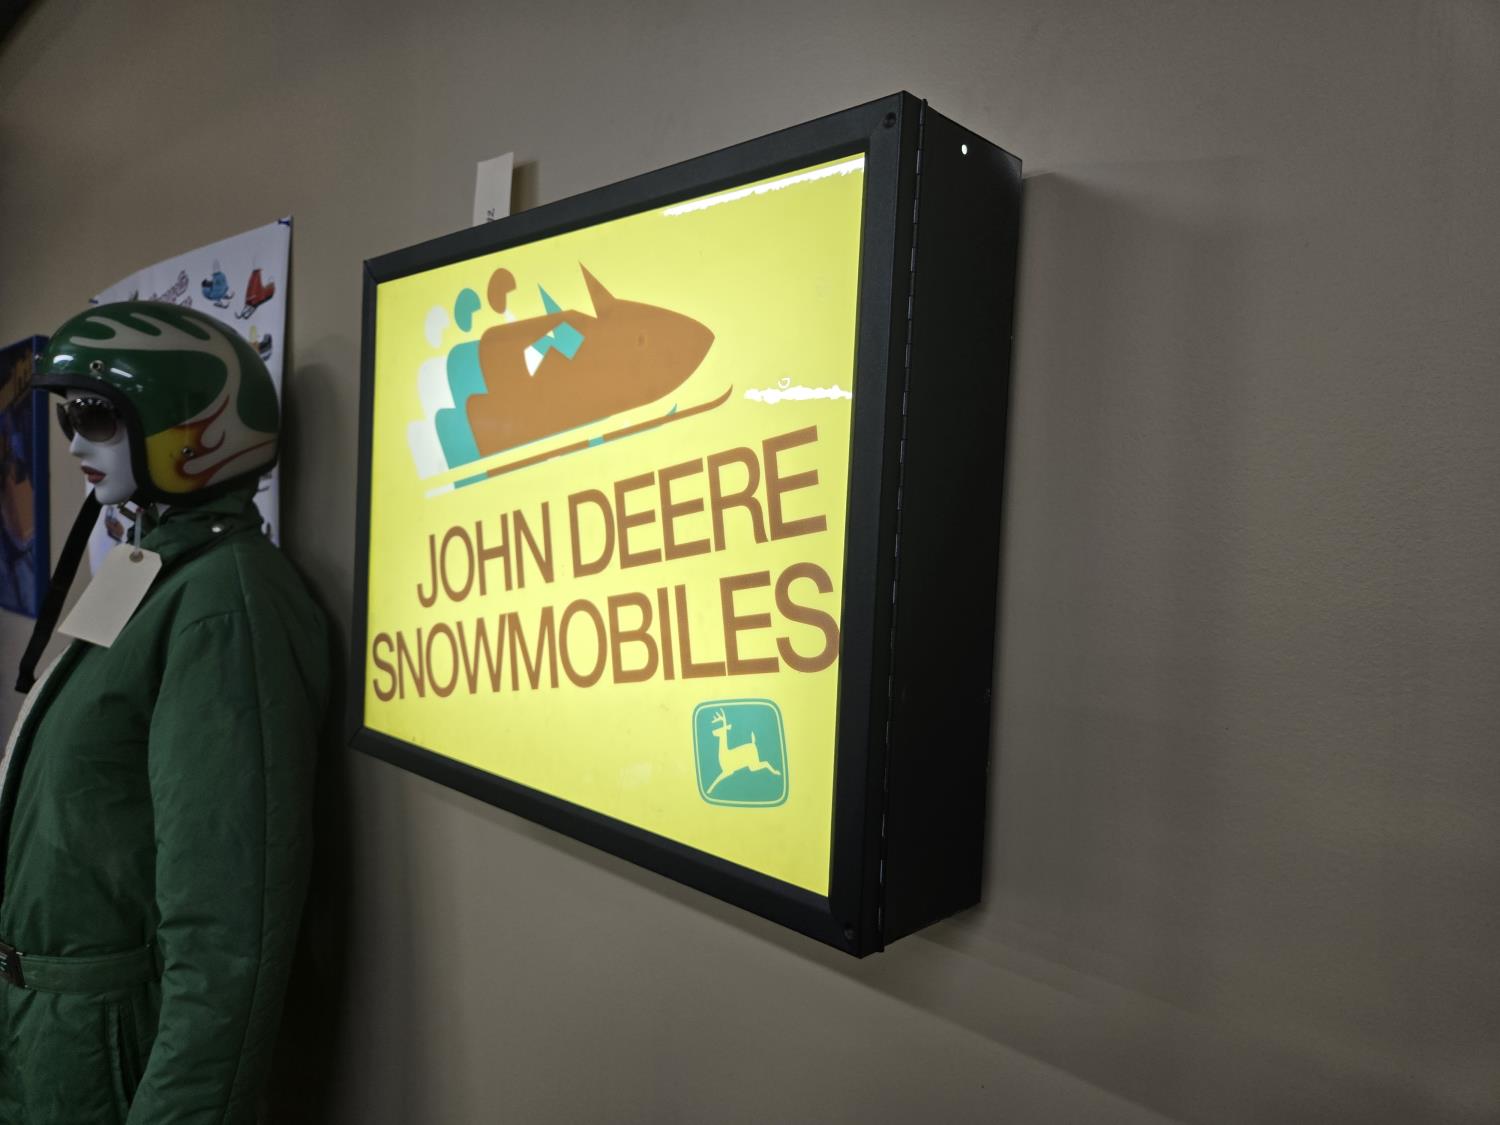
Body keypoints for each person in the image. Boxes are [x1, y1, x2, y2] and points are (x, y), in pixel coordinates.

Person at [0, 301, 329, 1123]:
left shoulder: (227, 600)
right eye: (69, 417)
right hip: (50, 1033)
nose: (73, 444)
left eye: (97, 416)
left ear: (189, 424)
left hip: (108, 1052)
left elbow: (227, 933)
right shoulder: (150, 568)